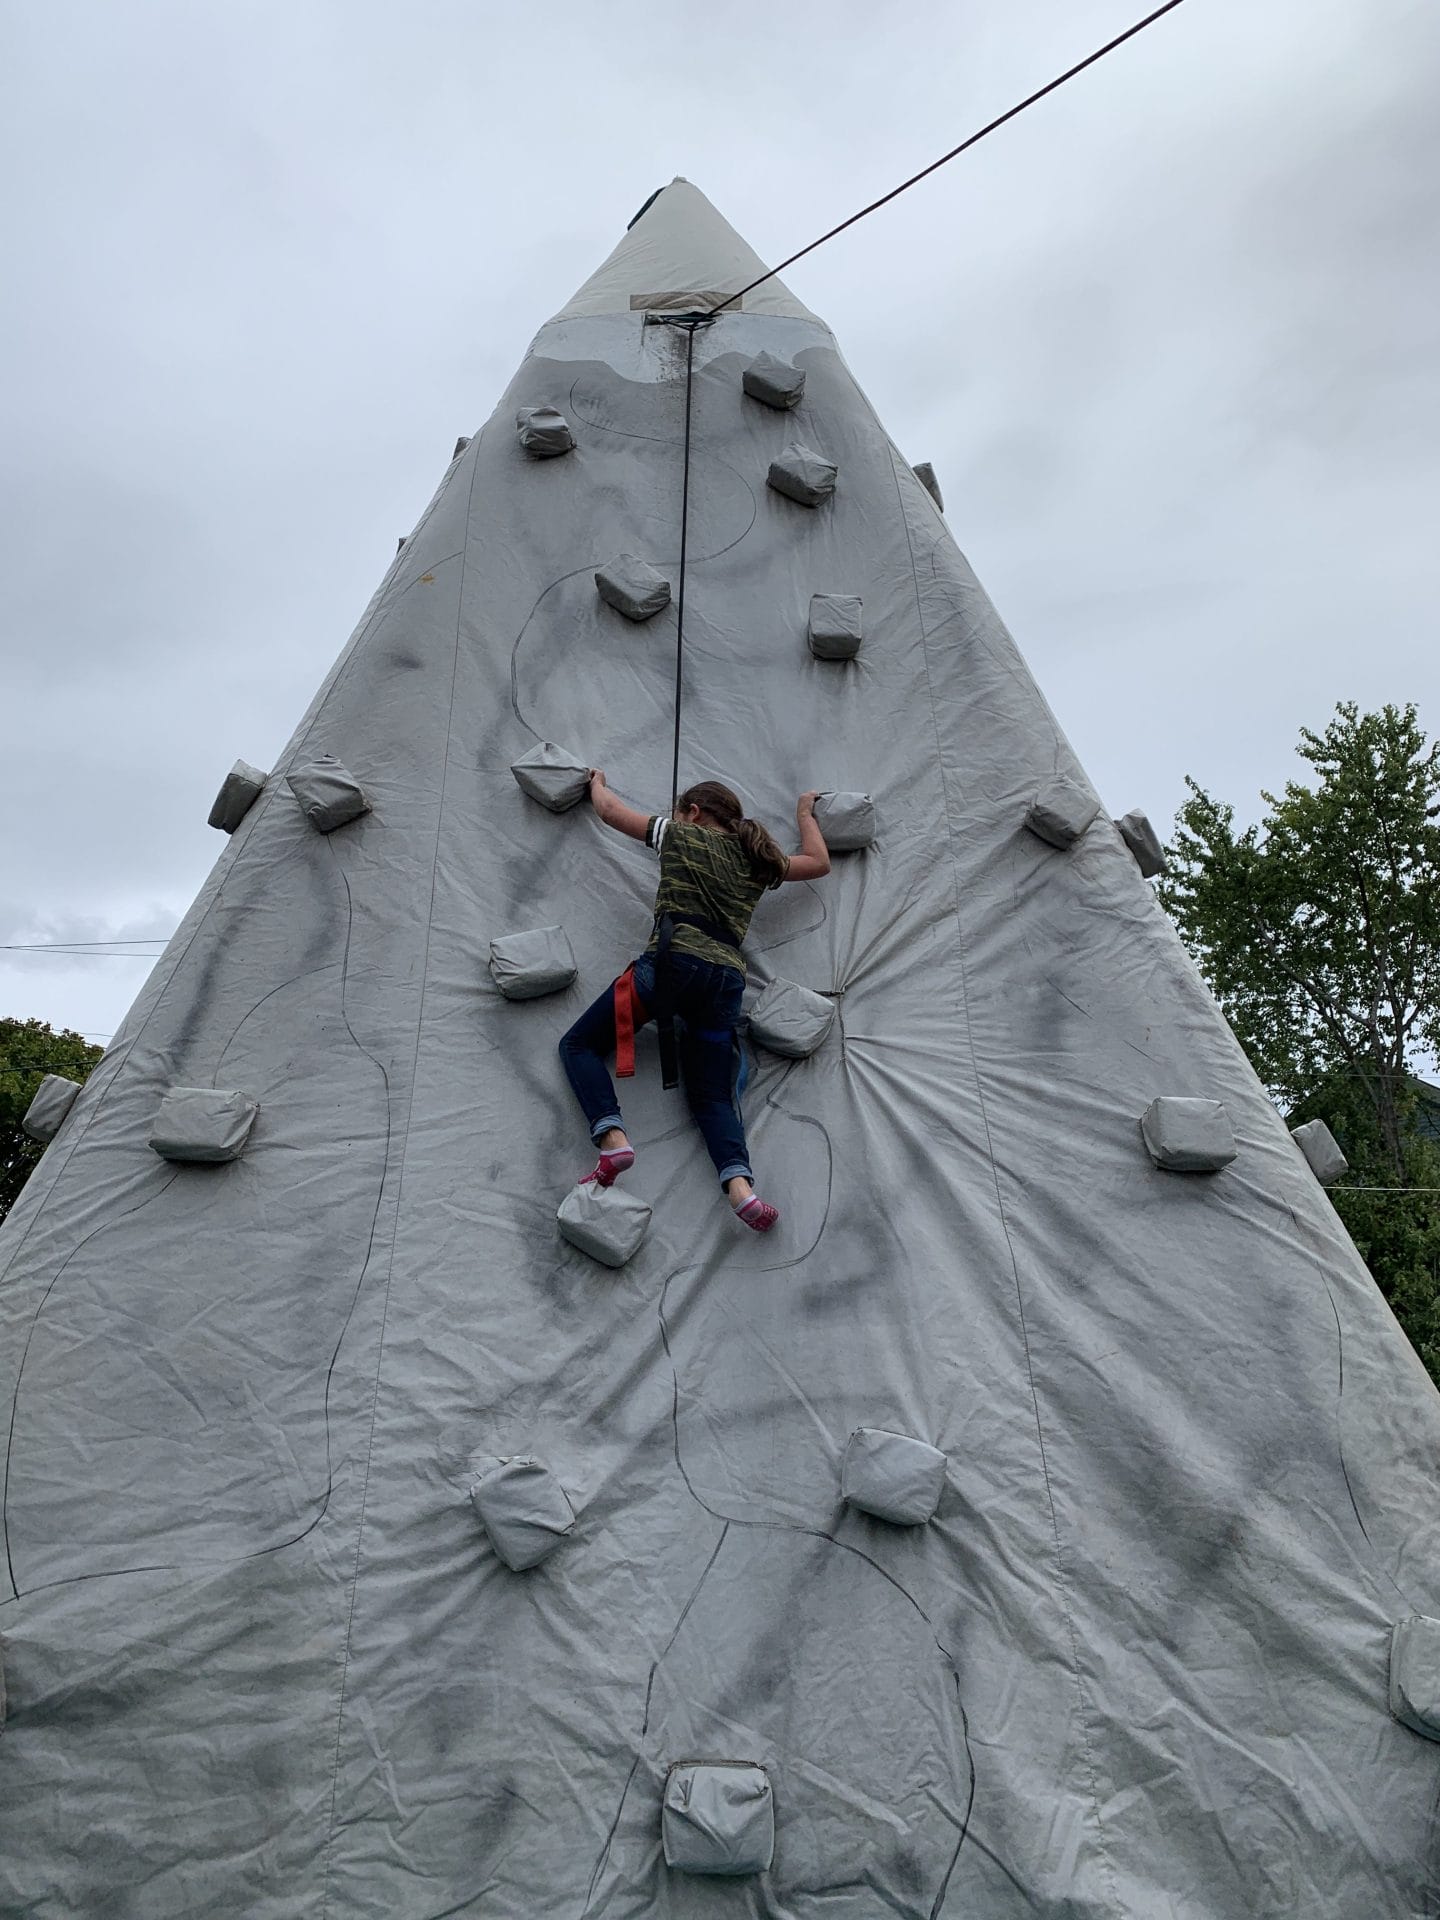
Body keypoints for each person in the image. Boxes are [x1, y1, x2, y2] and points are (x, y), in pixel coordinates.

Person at [558, 776, 831, 1232]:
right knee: (711, 1095)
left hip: (672, 965)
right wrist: (804, 811)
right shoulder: (758, 858)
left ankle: (613, 1139)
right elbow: (819, 862)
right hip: (725, 982)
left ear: (694, 813)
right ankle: (742, 1190)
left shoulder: (678, 834)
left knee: (579, 1045)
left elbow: (609, 812)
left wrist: (596, 782)